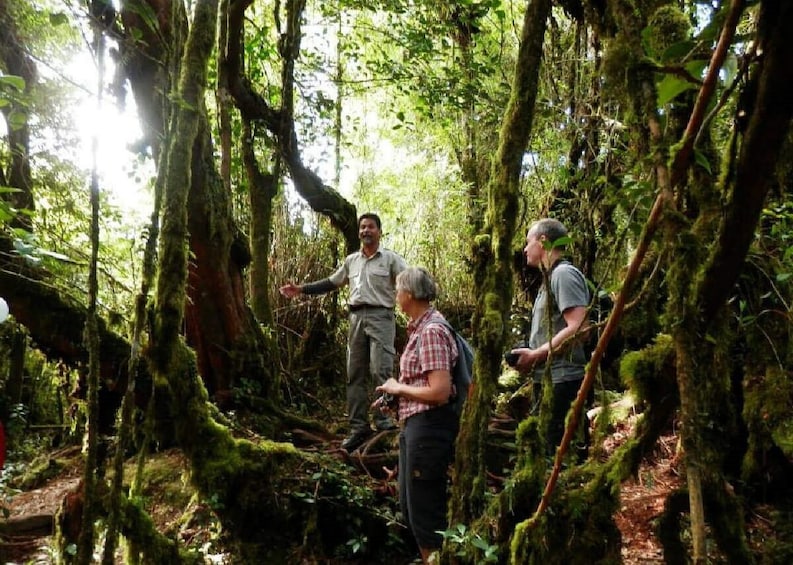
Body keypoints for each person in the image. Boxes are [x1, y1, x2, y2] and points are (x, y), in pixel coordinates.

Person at [280, 213, 407, 452]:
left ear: (379, 231)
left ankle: (384, 421)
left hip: (382, 317)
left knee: (381, 369)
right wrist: (301, 289)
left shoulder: (390, 260)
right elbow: (332, 282)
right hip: (356, 317)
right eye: (362, 227)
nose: (365, 231)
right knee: (354, 373)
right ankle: (358, 427)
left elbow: (409, 281)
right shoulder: (352, 261)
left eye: (370, 227)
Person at [374, 266, 459, 564]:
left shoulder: (432, 331)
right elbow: (421, 385)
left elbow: (439, 391)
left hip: (430, 429)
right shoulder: (420, 329)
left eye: (398, 291)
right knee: (410, 509)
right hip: (416, 426)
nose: (396, 296)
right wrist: (396, 396)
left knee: (425, 515)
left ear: (409, 294)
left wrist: (400, 387)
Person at [509, 218, 591, 458]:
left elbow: (579, 327)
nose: (525, 249)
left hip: (562, 380)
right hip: (549, 379)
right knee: (545, 451)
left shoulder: (563, 274)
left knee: (558, 455)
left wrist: (536, 355)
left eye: (528, 242)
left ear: (543, 241)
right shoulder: (550, 278)